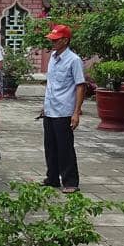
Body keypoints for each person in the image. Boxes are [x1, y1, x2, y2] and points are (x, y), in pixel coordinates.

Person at [40, 24, 85, 193]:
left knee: (65, 147)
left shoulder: (74, 60)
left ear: (65, 40)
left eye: (56, 39)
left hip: (64, 110)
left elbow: (80, 86)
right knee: (50, 146)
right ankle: (52, 178)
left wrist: (76, 112)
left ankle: (70, 181)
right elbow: (51, 84)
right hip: (50, 109)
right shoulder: (53, 57)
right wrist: (44, 106)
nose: (52, 42)